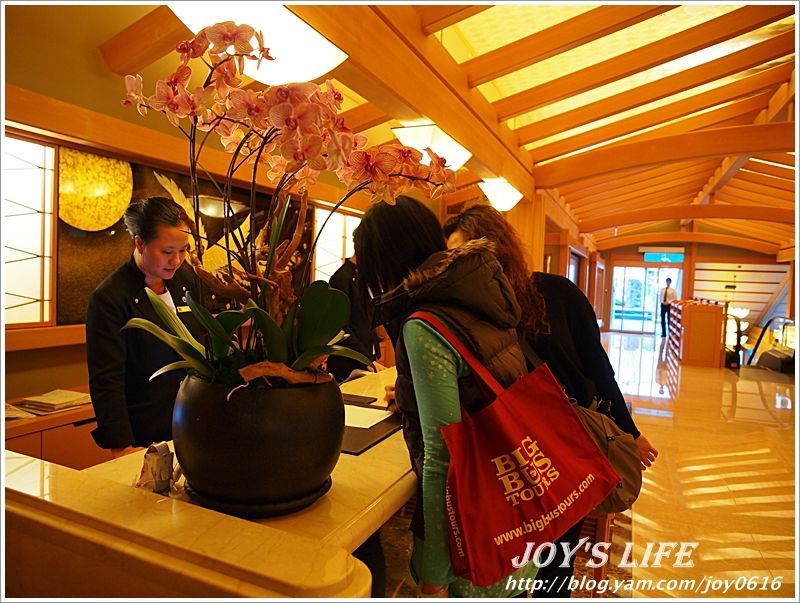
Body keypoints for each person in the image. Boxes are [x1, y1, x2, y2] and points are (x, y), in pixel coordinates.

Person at [443, 204, 658, 598]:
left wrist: (630, 432)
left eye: (472, 252)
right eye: (454, 258)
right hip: (511, 449)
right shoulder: (468, 315)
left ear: (498, 248)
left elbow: (598, 367)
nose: (465, 266)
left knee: (557, 558)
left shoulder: (558, 293)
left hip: (567, 444)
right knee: (514, 552)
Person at [354, 195, 538, 597]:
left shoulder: (424, 324)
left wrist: (435, 573)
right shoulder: (478, 295)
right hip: (514, 504)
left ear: (384, 263)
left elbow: (445, 458)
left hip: (473, 535)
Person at [86, 196, 203, 458]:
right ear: (140, 243)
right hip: (145, 433)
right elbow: (107, 378)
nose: (176, 261)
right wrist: (121, 444)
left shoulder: (186, 281)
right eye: (167, 252)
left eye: (183, 250)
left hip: (193, 423)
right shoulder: (111, 297)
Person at [327, 254, 382, 383]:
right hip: (349, 361)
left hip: (366, 356)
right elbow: (340, 327)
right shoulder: (341, 278)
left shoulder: (362, 277)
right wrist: (365, 359)